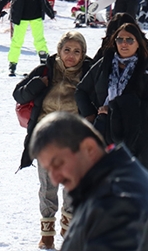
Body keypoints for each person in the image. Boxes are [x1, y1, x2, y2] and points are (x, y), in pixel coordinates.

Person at [29, 111, 148, 251]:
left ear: (89, 148)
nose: (55, 179)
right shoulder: (112, 183)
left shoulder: (115, 202)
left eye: (58, 163)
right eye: (48, 170)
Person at [13, 32, 92, 249]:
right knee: (48, 185)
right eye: (67, 50)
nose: (71, 55)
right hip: (46, 137)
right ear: (59, 50)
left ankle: (68, 226)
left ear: (83, 54)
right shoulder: (45, 70)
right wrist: (38, 84)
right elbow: (18, 95)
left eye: (77, 51)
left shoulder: (89, 73)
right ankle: (46, 233)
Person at [76, 22, 148, 174]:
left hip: (137, 134)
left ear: (139, 43)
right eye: (120, 39)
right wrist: (91, 115)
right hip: (104, 131)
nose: (124, 44)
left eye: (130, 40)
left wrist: (118, 109)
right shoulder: (104, 64)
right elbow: (81, 90)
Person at [0, 0, 56, 76]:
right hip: (21, 17)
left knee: (39, 39)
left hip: (36, 15)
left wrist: (50, 13)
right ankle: (12, 63)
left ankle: (44, 59)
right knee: (17, 41)